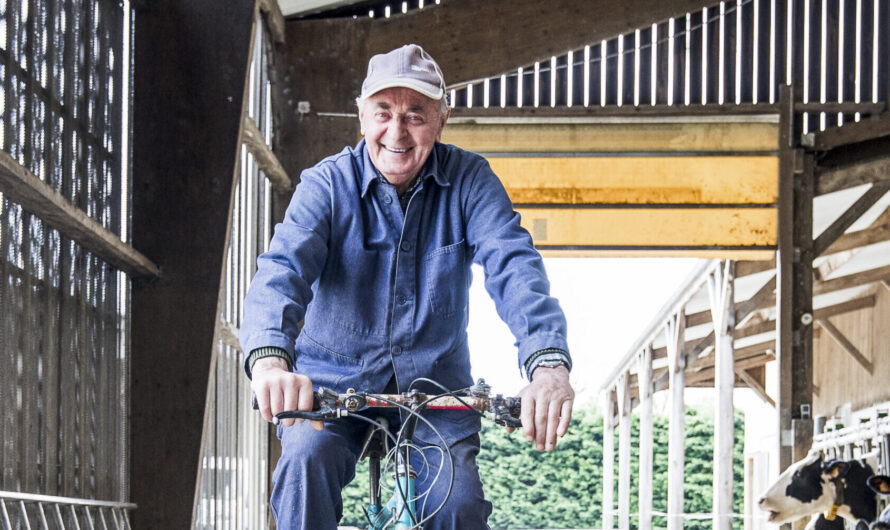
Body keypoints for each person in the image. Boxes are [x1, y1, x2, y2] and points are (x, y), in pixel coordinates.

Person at [240, 43, 574, 529]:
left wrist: (547, 364)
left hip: (437, 392)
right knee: (304, 464)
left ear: (442, 120)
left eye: (415, 115)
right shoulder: (326, 186)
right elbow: (281, 270)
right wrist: (270, 361)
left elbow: (513, 265)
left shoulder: (470, 182)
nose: (396, 132)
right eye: (383, 113)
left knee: (458, 504)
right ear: (361, 117)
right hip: (334, 387)